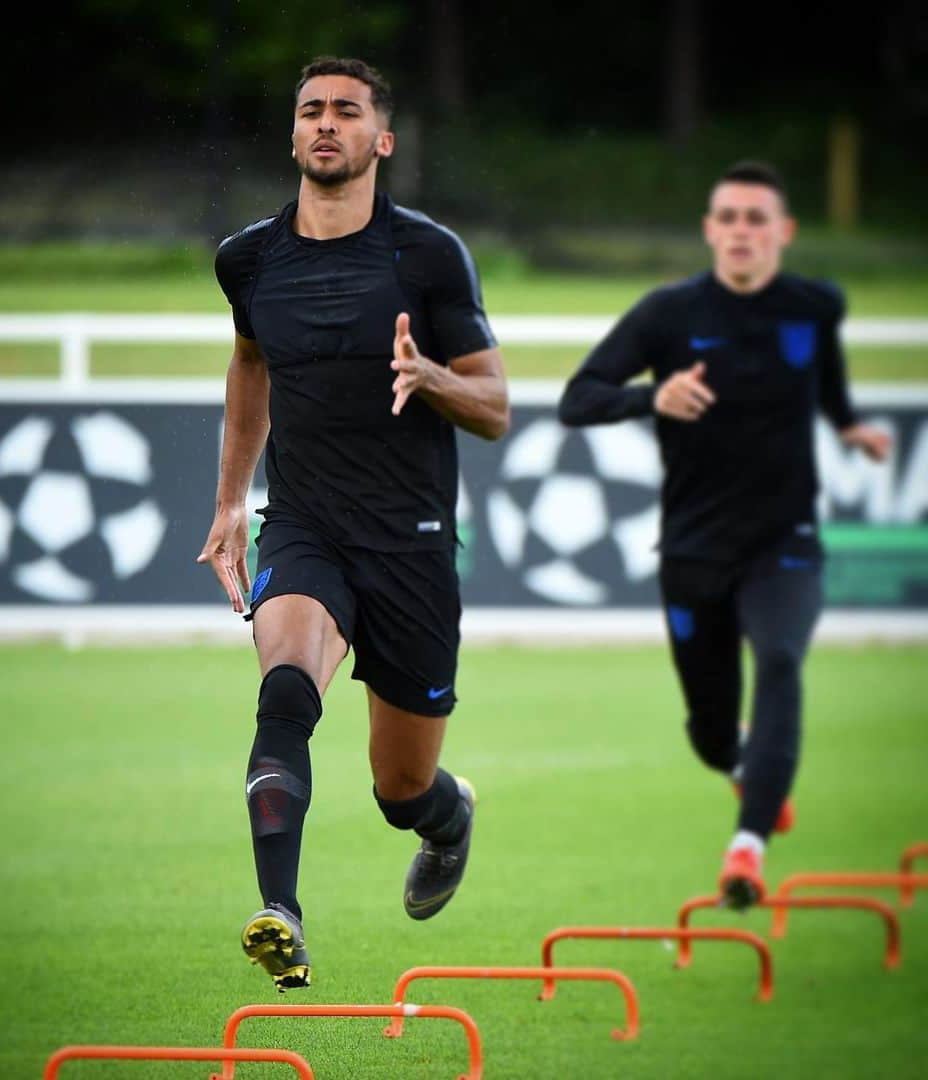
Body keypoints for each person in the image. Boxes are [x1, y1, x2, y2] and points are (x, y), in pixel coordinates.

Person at [197, 56, 509, 990]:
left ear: (383, 139)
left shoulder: (428, 256)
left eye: (346, 110)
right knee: (286, 690)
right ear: (294, 136)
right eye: (310, 111)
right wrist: (229, 501)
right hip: (304, 525)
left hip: (411, 542)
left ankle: (447, 818)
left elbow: (494, 406)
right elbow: (250, 363)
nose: (326, 123)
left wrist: (433, 379)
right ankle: (278, 913)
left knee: (398, 789)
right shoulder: (247, 259)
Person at [558, 161, 891, 909]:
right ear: (711, 230)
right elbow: (579, 399)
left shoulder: (816, 306)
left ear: (784, 232)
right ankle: (741, 761)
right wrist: (654, 397)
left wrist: (850, 427)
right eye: (729, 218)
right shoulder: (667, 314)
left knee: (780, 659)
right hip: (691, 550)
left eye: (756, 218)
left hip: (786, 541)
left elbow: (826, 385)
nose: (742, 231)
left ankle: (747, 848)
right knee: (710, 733)